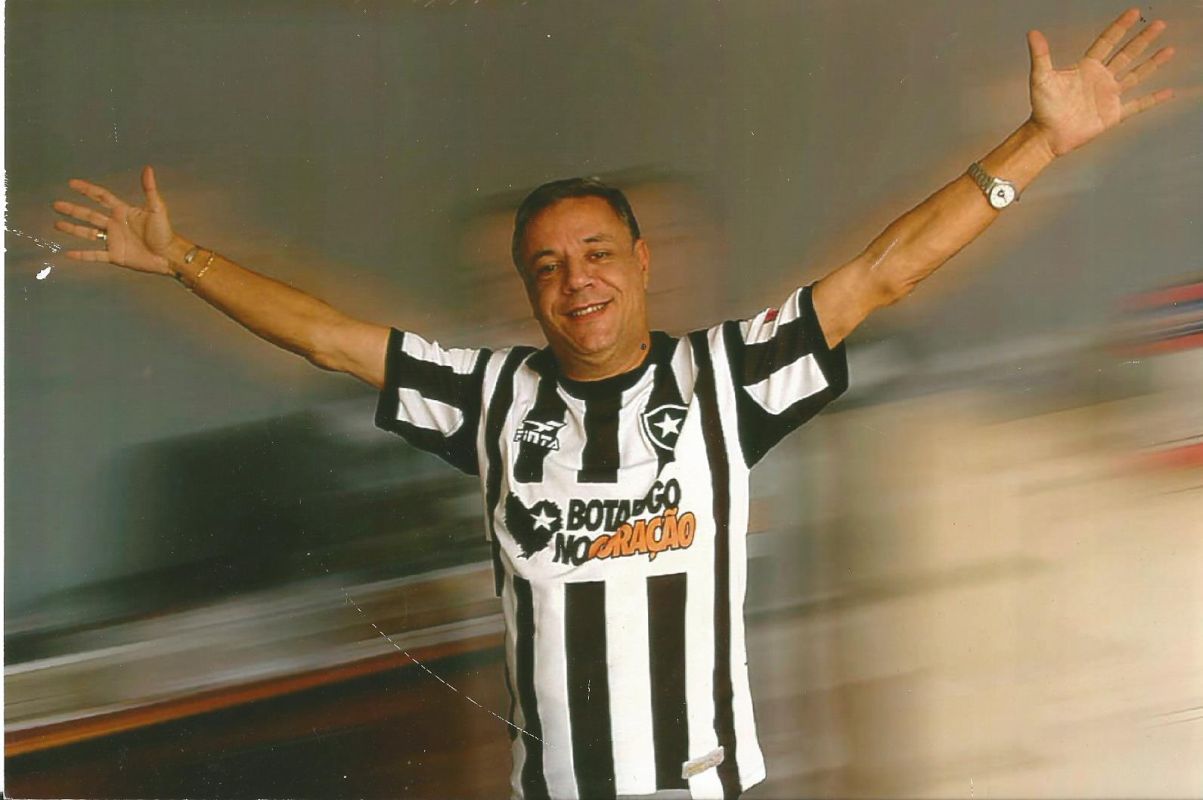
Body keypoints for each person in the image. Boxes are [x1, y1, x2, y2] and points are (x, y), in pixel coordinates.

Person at [51, 10, 1176, 799]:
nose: (574, 279)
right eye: (546, 265)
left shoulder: (725, 378)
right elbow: (331, 338)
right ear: (529, 291)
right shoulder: (490, 399)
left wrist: (1040, 141)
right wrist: (182, 257)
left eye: (596, 252)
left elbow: (882, 272)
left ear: (640, 263)